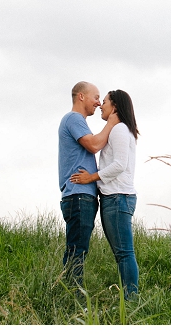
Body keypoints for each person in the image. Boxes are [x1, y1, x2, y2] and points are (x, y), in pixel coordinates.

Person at [71, 89, 140, 299]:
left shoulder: (119, 129)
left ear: (115, 107)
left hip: (118, 197)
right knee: (122, 253)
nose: (101, 105)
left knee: (124, 253)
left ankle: (131, 299)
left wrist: (91, 178)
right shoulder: (120, 129)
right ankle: (130, 297)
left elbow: (119, 164)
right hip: (116, 197)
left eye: (106, 102)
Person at [58, 81, 117, 295]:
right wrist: (112, 122)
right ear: (81, 96)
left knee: (77, 249)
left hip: (81, 196)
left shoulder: (78, 121)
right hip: (78, 196)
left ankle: (68, 292)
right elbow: (93, 144)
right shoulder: (73, 119)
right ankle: (73, 297)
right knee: (77, 251)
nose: (99, 102)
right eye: (95, 97)